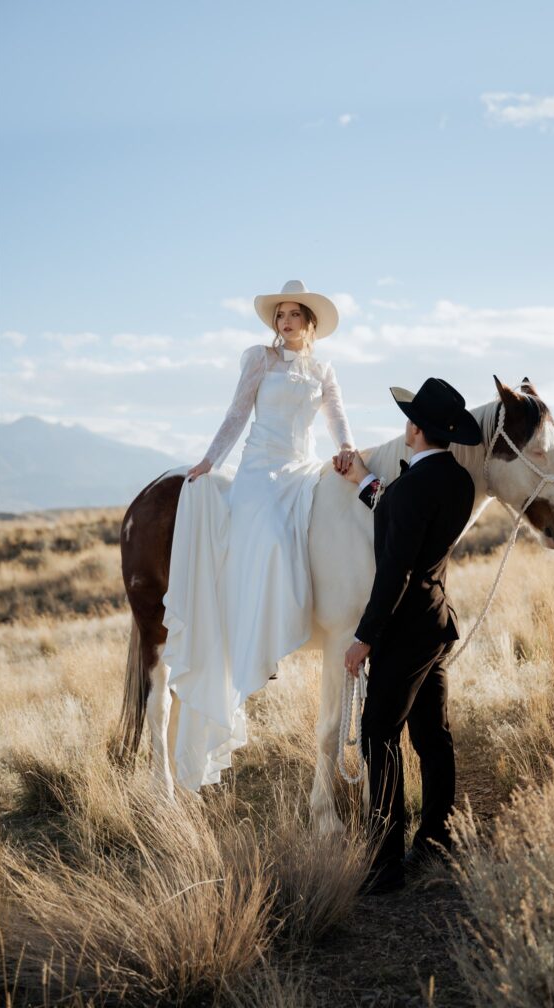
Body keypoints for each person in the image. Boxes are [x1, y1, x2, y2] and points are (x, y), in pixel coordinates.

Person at [162, 280, 356, 790]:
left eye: (295, 315)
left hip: (302, 468)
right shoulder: (259, 360)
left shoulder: (323, 370)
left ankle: (299, 620)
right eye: (281, 315)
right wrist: (210, 461)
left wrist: (348, 451)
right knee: (269, 533)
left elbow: (339, 421)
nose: (286, 322)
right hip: (258, 471)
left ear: (311, 325)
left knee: (318, 529)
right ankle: (263, 643)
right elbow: (236, 413)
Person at [338, 378, 482, 895]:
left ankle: (385, 864)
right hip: (436, 622)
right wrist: (362, 480)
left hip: (402, 633)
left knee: (379, 733)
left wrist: (364, 638)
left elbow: (395, 568)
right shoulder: (459, 484)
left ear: (413, 429)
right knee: (432, 736)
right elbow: (401, 516)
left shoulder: (412, 489)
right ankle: (438, 838)